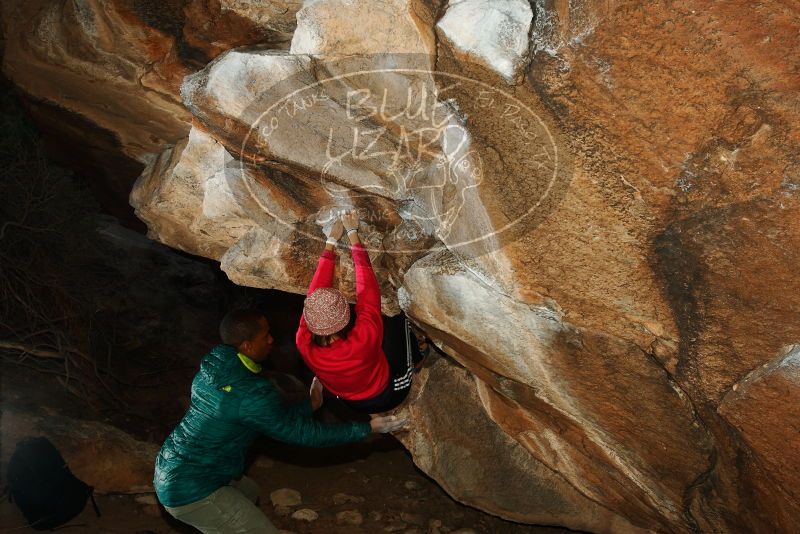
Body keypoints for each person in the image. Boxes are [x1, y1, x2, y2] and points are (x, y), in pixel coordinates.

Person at [154, 308, 406, 533]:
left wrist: (311, 404)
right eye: (265, 336)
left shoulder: (215, 365)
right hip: (191, 491)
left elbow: (269, 417)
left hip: (176, 467)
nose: (271, 340)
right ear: (247, 346)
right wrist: (367, 428)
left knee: (249, 491)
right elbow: (304, 435)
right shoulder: (250, 393)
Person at [296, 209, 428, 414]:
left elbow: (315, 294)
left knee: (379, 327)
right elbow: (368, 293)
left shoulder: (303, 340)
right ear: (345, 318)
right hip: (389, 393)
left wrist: (331, 243)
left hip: (349, 400)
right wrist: (353, 234)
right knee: (395, 314)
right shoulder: (362, 340)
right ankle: (418, 356)